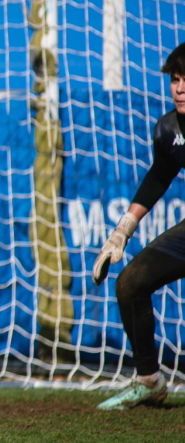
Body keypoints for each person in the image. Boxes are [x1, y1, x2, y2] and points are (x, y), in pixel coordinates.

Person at [93, 41, 185, 410]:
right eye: (175, 79)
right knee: (130, 283)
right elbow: (160, 175)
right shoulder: (168, 129)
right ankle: (149, 381)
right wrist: (122, 231)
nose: (180, 88)